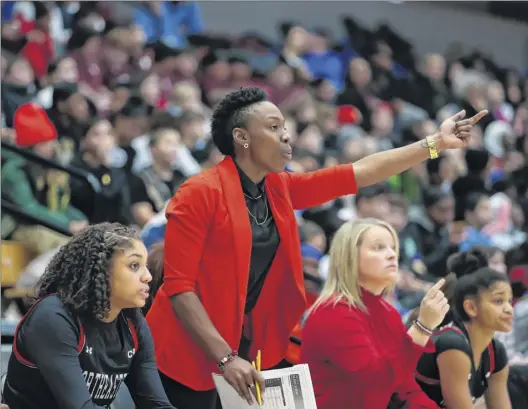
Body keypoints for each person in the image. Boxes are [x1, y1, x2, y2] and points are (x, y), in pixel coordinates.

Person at [146, 86, 487, 409]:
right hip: (185, 351)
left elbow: (361, 172)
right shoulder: (200, 192)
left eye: (285, 126)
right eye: (273, 126)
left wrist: (434, 144)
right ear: (242, 137)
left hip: (246, 345)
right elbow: (179, 288)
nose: (285, 134)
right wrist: (225, 357)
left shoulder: (280, 187)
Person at [2, 223, 175, 409]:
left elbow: (156, 404)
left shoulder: (133, 322)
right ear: (99, 270)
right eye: (134, 265)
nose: (147, 276)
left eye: (145, 266)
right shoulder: (54, 317)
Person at [301, 218, 448, 409]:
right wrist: (422, 328)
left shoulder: (387, 312)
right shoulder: (332, 312)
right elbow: (377, 381)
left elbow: (404, 389)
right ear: (350, 256)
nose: (391, 255)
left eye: (393, 247)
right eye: (379, 248)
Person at [415, 261, 513, 408]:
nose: (509, 309)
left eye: (510, 301)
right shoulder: (452, 344)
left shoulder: (496, 352)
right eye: (498, 301)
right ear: (471, 307)